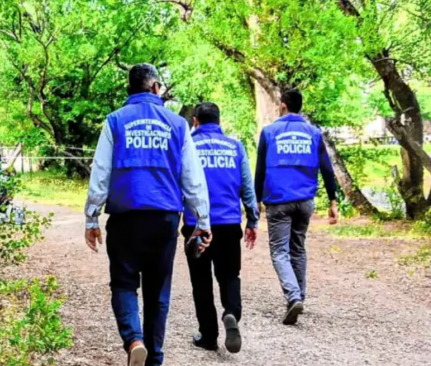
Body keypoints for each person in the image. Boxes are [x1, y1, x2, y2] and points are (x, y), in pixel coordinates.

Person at [84, 63, 211, 366]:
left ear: (130, 88)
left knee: (124, 283)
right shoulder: (178, 125)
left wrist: (92, 217)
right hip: (164, 217)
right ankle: (154, 359)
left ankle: (134, 340)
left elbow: (100, 171)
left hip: (126, 216)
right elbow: (193, 177)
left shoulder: (115, 121)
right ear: (155, 88)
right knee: (158, 292)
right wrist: (202, 221)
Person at [255, 89, 338, 325]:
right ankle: (299, 295)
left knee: (279, 251)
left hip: (278, 200)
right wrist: (333, 201)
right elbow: (327, 169)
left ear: (283, 106)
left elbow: (260, 169)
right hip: (305, 201)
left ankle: (293, 296)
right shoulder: (313, 133)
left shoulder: (269, 132)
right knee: (298, 248)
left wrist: (256, 200)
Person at [182, 103, 259, 354]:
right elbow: (247, 186)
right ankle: (231, 313)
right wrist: (252, 220)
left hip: (197, 226)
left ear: (195, 121)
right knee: (229, 275)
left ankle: (208, 335)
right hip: (228, 223)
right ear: (219, 121)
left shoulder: (187, 146)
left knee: (201, 281)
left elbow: (178, 183)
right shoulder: (235, 146)